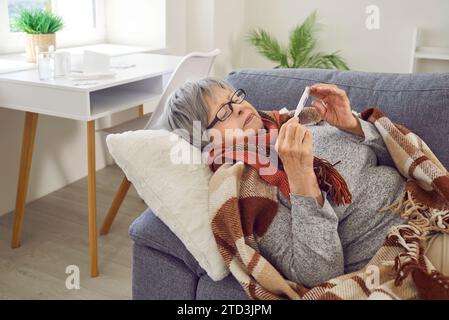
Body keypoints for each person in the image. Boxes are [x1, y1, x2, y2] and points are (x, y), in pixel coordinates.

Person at [164, 77, 408, 287]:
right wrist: (302, 179)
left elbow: (399, 160)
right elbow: (319, 275)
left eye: (235, 98)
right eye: (223, 112)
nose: (238, 108)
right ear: (206, 140)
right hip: (404, 255)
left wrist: (353, 126)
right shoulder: (251, 192)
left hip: (429, 206)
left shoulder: (298, 121)